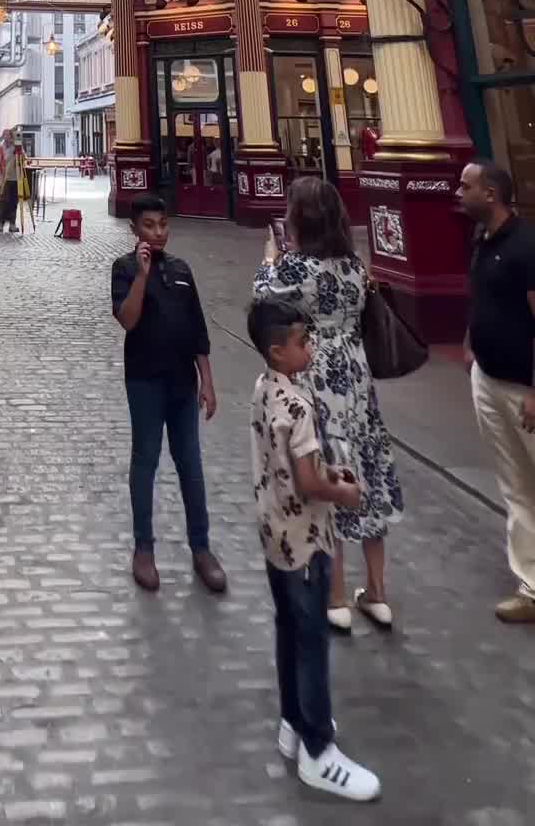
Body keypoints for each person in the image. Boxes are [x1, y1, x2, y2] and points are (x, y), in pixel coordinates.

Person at [254, 175, 403, 632]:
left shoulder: (294, 268)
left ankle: (336, 596)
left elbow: (261, 299)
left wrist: (269, 257)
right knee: (365, 473)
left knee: (325, 473)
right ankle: (376, 592)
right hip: (356, 382)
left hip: (316, 380)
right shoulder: (354, 265)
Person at [248, 298, 381, 803]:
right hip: (305, 541)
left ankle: (292, 719)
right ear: (278, 351)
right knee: (311, 640)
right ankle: (318, 751)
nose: (312, 347)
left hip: (274, 535)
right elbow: (306, 481)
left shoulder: (264, 389)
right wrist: (342, 490)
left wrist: (325, 473)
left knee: (288, 628)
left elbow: (284, 467)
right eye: (304, 342)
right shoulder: (298, 406)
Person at [111, 192, 226, 595]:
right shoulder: (123, 269)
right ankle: (144, 549)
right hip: (144, 381)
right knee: (145, 462)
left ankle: (202, 548)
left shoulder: (182, 269)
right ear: (134, 230)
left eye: (162, 225)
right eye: (149, 226)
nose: (158, 233)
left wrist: (207, 381)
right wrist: (141, 276)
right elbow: (127, 320)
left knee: (190, 464)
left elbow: (197, 328)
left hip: (182, 383)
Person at [457, 159, 535, 623]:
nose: (456, 191)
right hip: (488, 379)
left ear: (491, 194)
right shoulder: (482, 240)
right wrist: (471, 342)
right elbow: (483, 298)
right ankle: (531, 584)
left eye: (465, 186)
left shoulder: (526, 247)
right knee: (515, 485)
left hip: (523, 390)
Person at [0, 127, 24, 234]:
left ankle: (12, 224)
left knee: (13, 202)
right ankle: (0, 224)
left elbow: (24, 159)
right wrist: (0, 177)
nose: (7, 137)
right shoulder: (1, 148)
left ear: (12, 136)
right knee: (3, 202)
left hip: (15, 178)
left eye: (8, 135)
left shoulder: (17, 147)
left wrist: (19, 151)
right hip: (5, 178)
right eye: (5, 135)